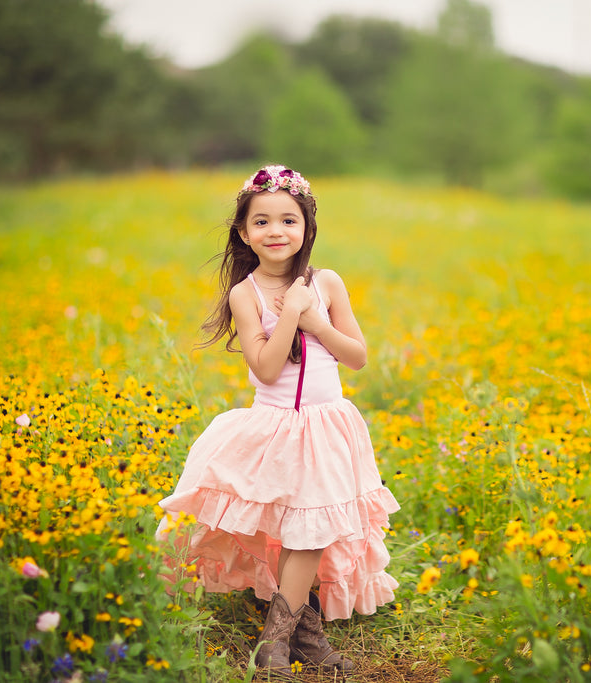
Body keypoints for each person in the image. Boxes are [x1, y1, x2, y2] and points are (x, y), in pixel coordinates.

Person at [156, 164, 399, 677]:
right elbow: (265, 370)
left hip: (327, 426)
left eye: (288, 221)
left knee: (310, 533)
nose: (276, 231)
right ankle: (292, 637)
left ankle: (281, 638)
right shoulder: (245, 293)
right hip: (277, 428)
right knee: (296, 531)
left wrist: (315, 320)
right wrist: (289, 315)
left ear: (307, 228)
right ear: (244, 233)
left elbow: (356, 356)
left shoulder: (328, 283)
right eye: (261, 222)